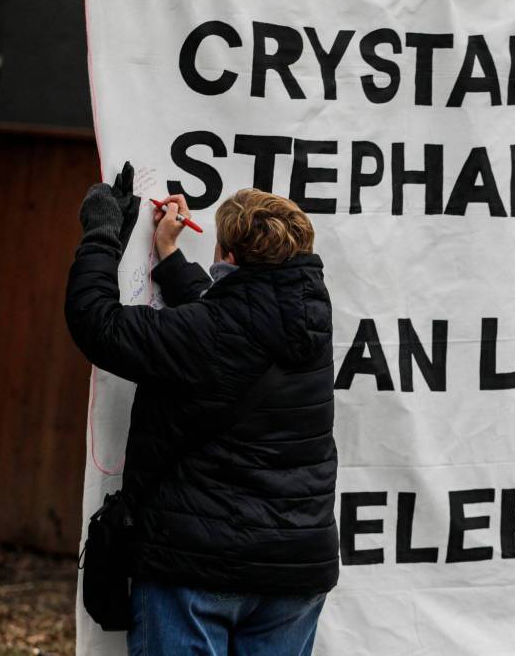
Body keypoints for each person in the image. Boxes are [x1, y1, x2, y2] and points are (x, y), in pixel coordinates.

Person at [65, 163, 339, 655]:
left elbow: (97, 323)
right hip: (294, 572)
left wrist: (103, 234)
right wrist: (170, 257)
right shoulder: (310, 322)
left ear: (228, 255)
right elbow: (232, 329)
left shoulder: (210, 334)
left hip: (196, 567)